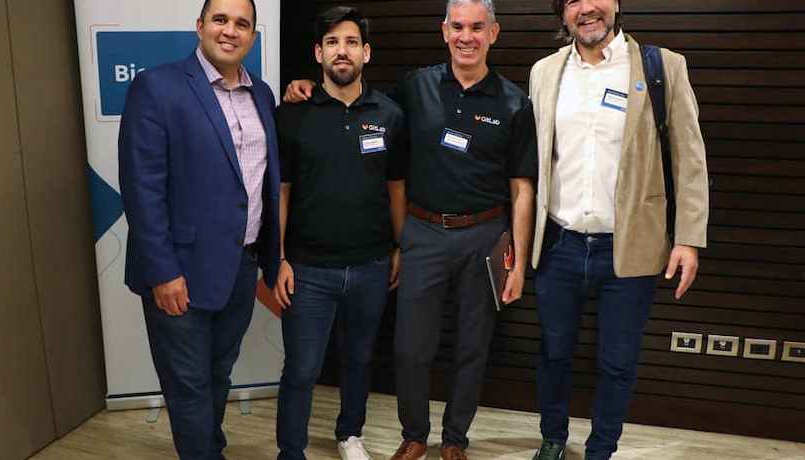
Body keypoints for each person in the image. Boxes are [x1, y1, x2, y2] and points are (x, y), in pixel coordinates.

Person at [285, 1, 536, 459]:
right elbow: (354, 100)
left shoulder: (515, 103)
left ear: (494, 33)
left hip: (485, 235)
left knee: (473, 346)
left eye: (476, 27)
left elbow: (522, 188)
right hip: (423, 231)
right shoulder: (416, 87)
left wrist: (517, 260)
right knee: (410, 348)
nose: (466, 37)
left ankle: (455, 438)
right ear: (444, 31)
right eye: (457, 26)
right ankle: (415, 434)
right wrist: (304, 85)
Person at [528, 1, 709, 459]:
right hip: (559, 243)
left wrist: (688, 238)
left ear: (617, 4)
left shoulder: (661, 67)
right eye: (573, 0)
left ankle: (601, 450)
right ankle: (552, 438)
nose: (587, 8)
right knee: (553, 353)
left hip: (630, 245)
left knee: (617, 362)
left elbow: (690, 158)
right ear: (561, 13)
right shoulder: (545, 72)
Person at [117, 0, 280, 457]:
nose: (230, 31)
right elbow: (142, 188)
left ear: (253, 36)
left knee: (218, 374)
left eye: (242, 23)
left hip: (241, 266)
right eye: (220, 19)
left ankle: (209, 448)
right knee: (188, 385)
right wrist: (162, 272)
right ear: (200, 26)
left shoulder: (262, 94)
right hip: (180, 273)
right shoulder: (157, 87)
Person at [272, 6, 407, 460]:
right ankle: (291, 450)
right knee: (302, 369)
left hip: (371, 265)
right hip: (308, 270)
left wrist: (400, 247)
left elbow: (396, 187)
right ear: (318, 53)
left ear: (366, 52)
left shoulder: (389, 114)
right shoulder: (292, 114)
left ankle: (350, 434)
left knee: (359, 360)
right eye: (332, 43)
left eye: (351, 42)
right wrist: (280, 257)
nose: (341, 51)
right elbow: (282, 191)